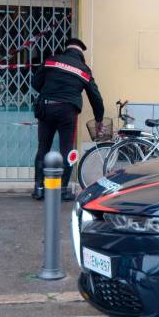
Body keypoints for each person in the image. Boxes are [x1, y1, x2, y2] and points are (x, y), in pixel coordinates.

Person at [31, 38, 105, 201]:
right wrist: (99, 118)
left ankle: (39, 189)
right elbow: (95, 97)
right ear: (80, 54)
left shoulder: (51, 61)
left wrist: (50, 88)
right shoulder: (83, 70)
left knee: (43, 147)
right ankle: (63, 190)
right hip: (67, 111)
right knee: (67, 150)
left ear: (66, 49)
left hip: (46, 107)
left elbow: (35, 83)